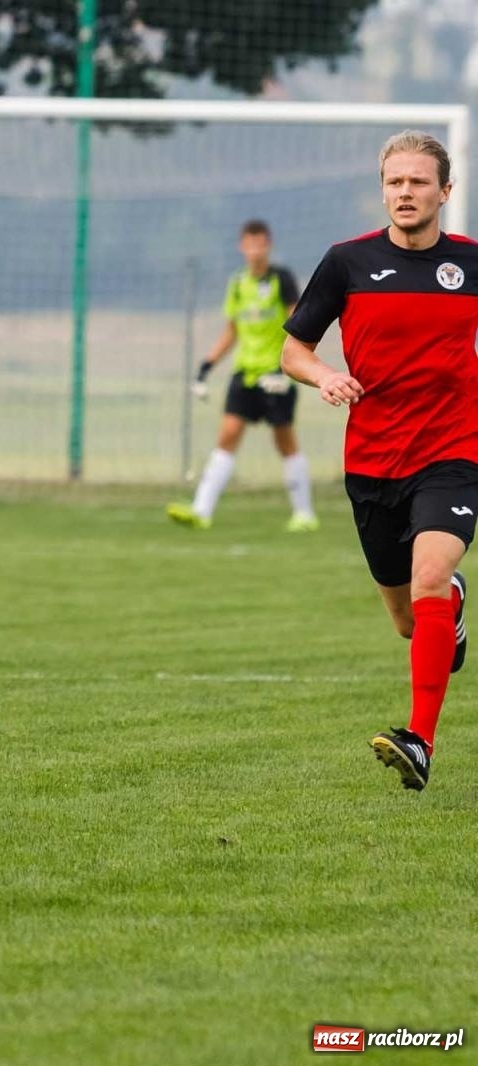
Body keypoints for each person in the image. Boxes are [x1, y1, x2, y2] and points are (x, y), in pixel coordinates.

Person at [281, 129, 478, 791]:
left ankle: (419, 741)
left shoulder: (472, 266)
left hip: (453, 452)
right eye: (395, 182)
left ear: (444, 192)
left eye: (419, 182)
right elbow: (293, 351)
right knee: (407, 618)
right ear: (382, 189)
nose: (405, 192)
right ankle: (447, 606)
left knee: (429, 569)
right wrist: (324, 376)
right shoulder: (347, 263)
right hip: (372, 463)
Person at [168, 219, 316, 532]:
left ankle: (304, 513)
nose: (254, 251)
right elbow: (231, 332)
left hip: (277, 374)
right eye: (249, 245)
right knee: (227, 436)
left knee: (284, 440)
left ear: (269, 244)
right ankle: (201, 510)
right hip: (245, 374)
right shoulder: (238, 283)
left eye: (260, 244)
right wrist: (208, 365)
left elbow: (298, 323)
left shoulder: (282, 280)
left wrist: (284, 365)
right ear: (241, 247)